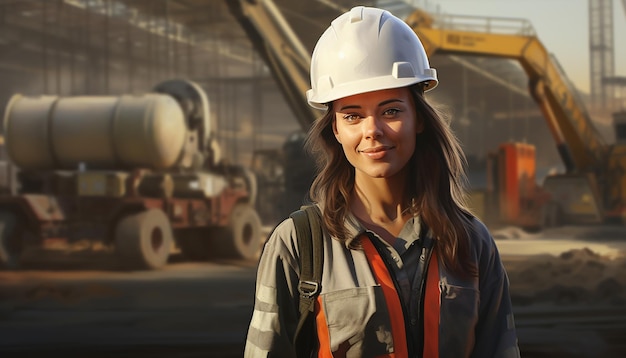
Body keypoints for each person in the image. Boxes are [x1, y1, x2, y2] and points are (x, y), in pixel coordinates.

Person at [245, 6, 520, 358]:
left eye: (390, 111)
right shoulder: (297, 246)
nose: (372, 130)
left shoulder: (472, 243)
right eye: (353, 115)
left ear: (418, 118)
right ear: (336, 129)